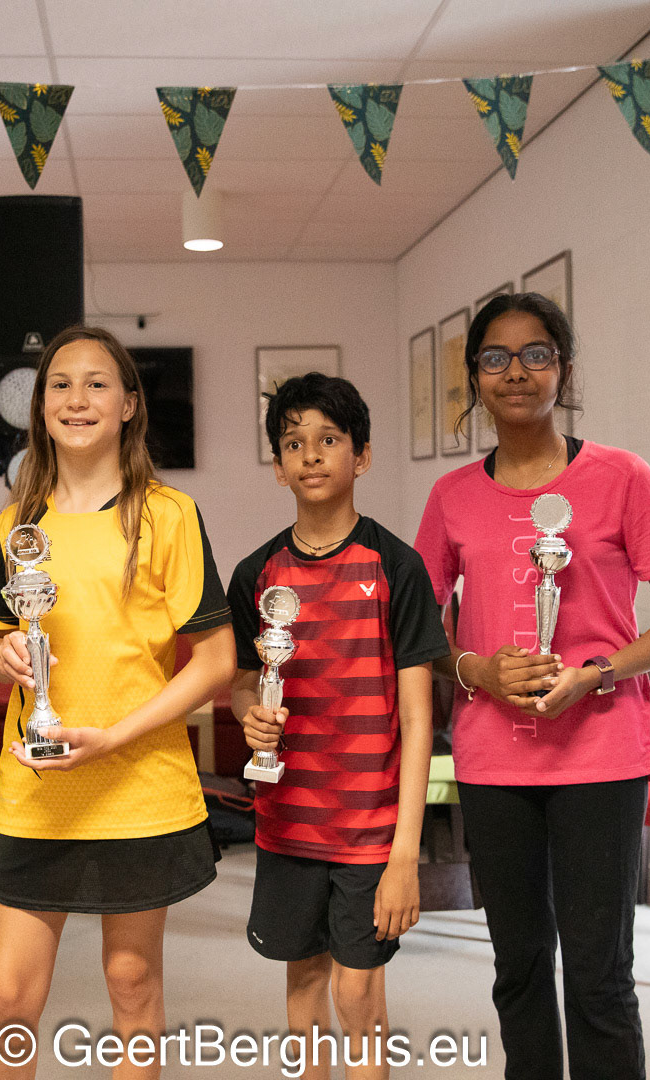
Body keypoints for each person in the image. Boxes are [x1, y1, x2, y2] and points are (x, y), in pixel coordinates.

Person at [413, 294, 650, 1080]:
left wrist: (599, 673)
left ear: (564, 370)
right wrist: (476, 669)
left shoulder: (622, 477)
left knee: (599, 977)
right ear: (476, 378)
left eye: (536, 354)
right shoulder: (451, 497)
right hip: (493, 760)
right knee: (517, 971)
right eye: (495, 358)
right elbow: (419, 631)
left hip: (601, 756)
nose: (516, 372)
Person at [0, 326, 235, 1079]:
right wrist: (4, 655)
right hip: (39, 786)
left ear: (128, 404)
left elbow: (216, 660)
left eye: (97, 383)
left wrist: (115, 736)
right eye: (59, 384)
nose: (77, 398)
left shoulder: (168, 514)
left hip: (138, 784)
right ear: (40, 406)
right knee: (7, 997)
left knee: (132, 982)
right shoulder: (15, 524)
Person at [227, 373, 448, 1080]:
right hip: (288, 823)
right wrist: (249, 713)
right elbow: (241, 680)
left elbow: (418, 716)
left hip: (369, 830)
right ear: (278, 466)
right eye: (294, 443)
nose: (312, 455)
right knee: (303, 986)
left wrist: (405, 854)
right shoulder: (256, 574)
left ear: (363, 456)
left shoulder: (396, 566)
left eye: (329, 439)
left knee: (357, 993)